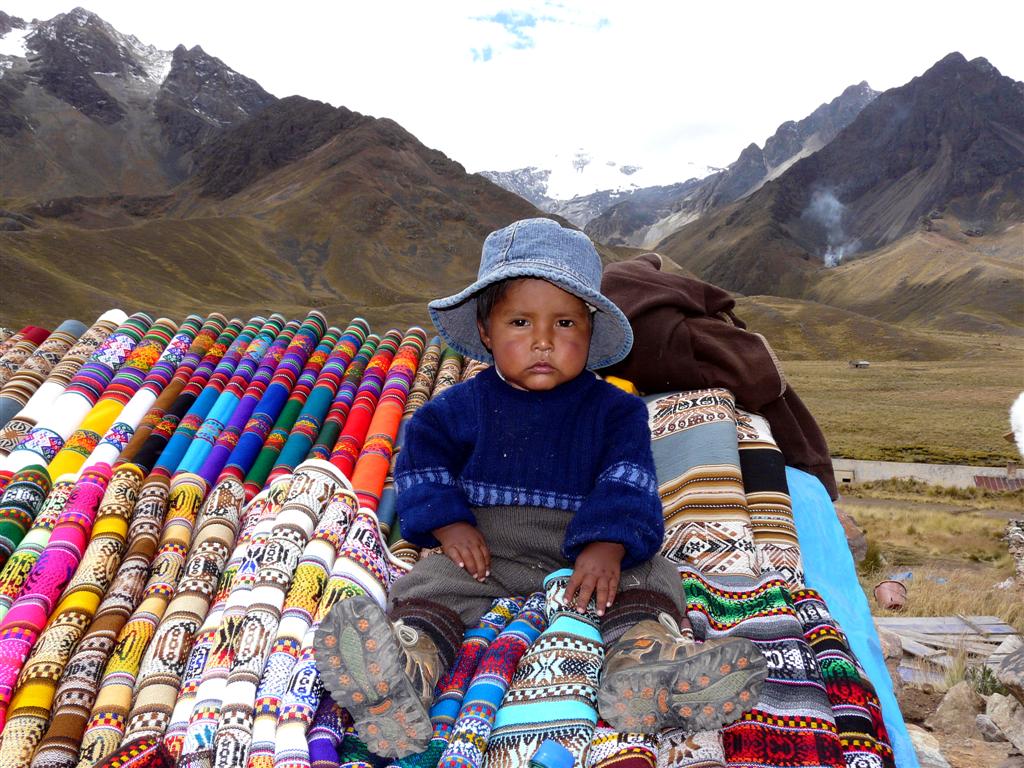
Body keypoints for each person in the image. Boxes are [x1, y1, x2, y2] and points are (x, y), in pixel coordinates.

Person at [314, 218, 767, 757]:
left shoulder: (616, 412)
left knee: (653, 575)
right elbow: (421, 458)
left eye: (566, 324)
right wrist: (450, 522)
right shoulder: (456, 409)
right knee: (431, 581)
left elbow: (629, 480)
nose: (544, 342)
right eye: (522, 322)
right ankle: (407, 669)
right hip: (487, 552)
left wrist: (608, 544)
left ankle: (648, 668)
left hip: (586, 557)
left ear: (590, 331)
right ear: (486, 331)